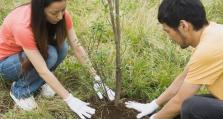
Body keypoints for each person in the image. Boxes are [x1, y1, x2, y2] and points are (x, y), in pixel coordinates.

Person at [0, 0, 115, 119]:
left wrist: (96, 78)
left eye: (63, 10)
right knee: (50, 55)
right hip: (6, 63)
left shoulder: (61, 14)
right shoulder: (23, 26)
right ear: (41, 10)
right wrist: (69, 99)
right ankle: (20, 91)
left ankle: (38, 82)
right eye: (54, 13)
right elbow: (42, 70)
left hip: (27, 54)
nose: (60, 16)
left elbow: (77, 46)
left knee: (62, 48)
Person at [125, 0, 223, 119]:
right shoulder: (211, 33)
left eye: (168, 31)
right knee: (181, 109)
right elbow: (183, 79)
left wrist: (154, 118)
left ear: (183, 26)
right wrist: (154, 105)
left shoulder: (208, 49)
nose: (169, 37)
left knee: (191, 107)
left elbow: (179, 101)